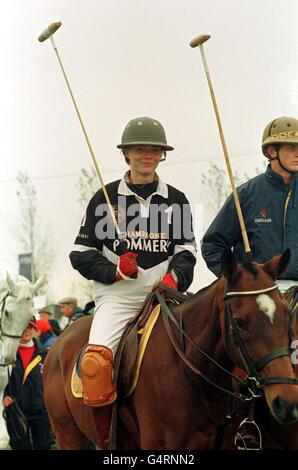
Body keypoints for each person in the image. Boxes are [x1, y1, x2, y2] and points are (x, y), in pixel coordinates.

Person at [70, 116, 197, 407]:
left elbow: (187, 252)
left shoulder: (176, 200)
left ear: (162, 155)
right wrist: (113, 271)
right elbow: (80, 253)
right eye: (139, 149)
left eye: (154, 150)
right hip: (118, 298)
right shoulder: (104, 198)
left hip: (165, 298)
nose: (147, 156)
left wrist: (174, 278)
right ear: (126, 153)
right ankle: (108, 442)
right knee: (95, 366)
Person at [201, 115, 298, 288]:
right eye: (291, 147)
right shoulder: (246, 194)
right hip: (259, 293)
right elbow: (212, 245)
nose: (297, 153)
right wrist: (237, 279)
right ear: (271, 151)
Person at [2, 318, 53, 450]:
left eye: (29, 328)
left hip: (41, 411)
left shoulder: (46, 354)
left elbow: (52, 382)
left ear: (35, 330)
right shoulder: (6, 354)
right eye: (22, 328)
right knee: (19, 447)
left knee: (44, 447)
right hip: (16, 410)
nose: (25, 331)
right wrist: (5, 395)